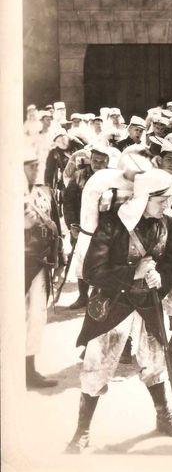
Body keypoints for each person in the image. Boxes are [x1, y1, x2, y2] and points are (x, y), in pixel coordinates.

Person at [66, 169, 172, 453]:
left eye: (169, 200)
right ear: (144, 198)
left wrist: (162, 279)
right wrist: (134, 272)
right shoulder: (112, 223)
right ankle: (82, 432)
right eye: (162, 201)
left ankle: (164, 416)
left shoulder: (168, 222)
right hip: (112, 305)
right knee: (96, 366)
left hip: (148, 304)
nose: (167, 207)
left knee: (155, 362)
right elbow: (92, 271)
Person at [24, 147, 63, 389]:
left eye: (37, 164)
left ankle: (29, 369)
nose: (36, 169)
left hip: (40, 264)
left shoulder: (44, 192)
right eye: (30, 165)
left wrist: (59, 259)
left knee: (36, 316)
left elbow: (56, 227)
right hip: (14, 265)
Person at [62, 145, 115, 309]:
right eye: (95, 161)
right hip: (80, 228)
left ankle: (97, 296)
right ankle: (82, 296)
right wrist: (72, 224)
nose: (97, 165)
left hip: (103, 230)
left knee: (102, 261)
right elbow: (68, 202)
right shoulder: (79, 176)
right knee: (81, 260)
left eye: (102, 162)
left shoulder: (111, 179)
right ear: (90, 160)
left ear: (107, 163)